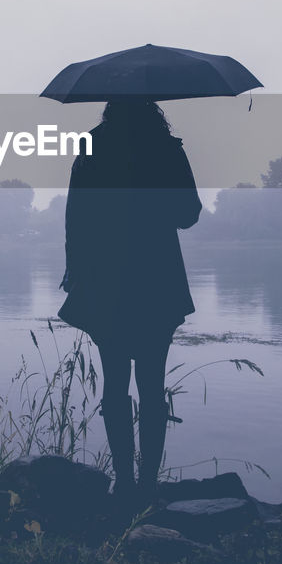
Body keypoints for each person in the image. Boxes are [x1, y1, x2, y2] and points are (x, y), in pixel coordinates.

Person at [57, 98, 203, 508]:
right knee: (152, 384)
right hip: (157, 277)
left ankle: (123, 480)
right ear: (152, 107)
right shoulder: (166, 149)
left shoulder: (92, 147)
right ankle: (148, 484)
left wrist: (76, 273)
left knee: (115, 380)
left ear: (109, 107)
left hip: (106, 279)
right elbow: (188, 214)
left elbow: (75, 217)